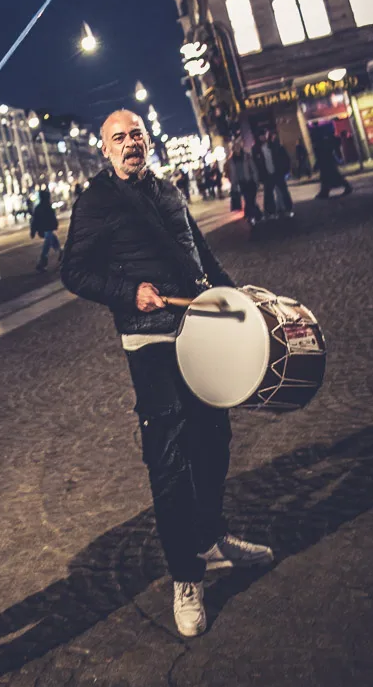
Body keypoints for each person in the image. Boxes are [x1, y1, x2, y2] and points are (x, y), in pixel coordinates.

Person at [61, 110, 273, 639]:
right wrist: (127, 291)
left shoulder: (167, 189)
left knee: (214, 437)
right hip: (150, 341)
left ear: (146, 139)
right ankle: (186, 575)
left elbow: (200, 256)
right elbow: (74, 271)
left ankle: (211, 536)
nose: (130, 143)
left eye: (136, 134)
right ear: (103, 148)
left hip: (199, 330)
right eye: (119, 138)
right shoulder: (97, 200)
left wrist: (238, 300)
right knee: (171, 455)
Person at [252, 129, 293, 218]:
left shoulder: (273, 145)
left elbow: (283, 157)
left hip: (277, 172)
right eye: (261, 136)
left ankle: (287, 209)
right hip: (267, 174)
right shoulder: (256, 149)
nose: (263, 137)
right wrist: (259, 176)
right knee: (268, 194)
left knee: (283, 191)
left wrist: (284, 169)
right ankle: (271, 212)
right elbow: (256, 164)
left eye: (264, 135)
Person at [225, 139, 262, 224]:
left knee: (251, 199)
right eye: (235, 148)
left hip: (250, 181)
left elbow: (253, 168)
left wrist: (256, 179)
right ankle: (254, 215)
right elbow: (229, 172)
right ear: (233, 149)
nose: (237, 149)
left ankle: (252, 215)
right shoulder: (231, 161)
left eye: (238, 147)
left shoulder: (247, 156)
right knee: (248, 199)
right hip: (241, 183)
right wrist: (233, 182)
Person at [311, 126, 352, 199]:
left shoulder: (321, 143)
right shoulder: (324, 142)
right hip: (327, 163)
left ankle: (325, 191)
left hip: (326, 163)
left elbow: (322, 155)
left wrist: (317, 164)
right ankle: (325, 191)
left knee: (331, 177)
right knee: (330, 177)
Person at [30, 187, 60, 272]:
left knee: (52, 240)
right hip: (46, 229)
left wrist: (33, 231)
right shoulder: (47, 207)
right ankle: (43, 261)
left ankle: (61, 254)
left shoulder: (39, 208)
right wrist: (55, 225)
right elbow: (52, 219)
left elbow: (34, 221)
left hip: (44, 230)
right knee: (48, 243)